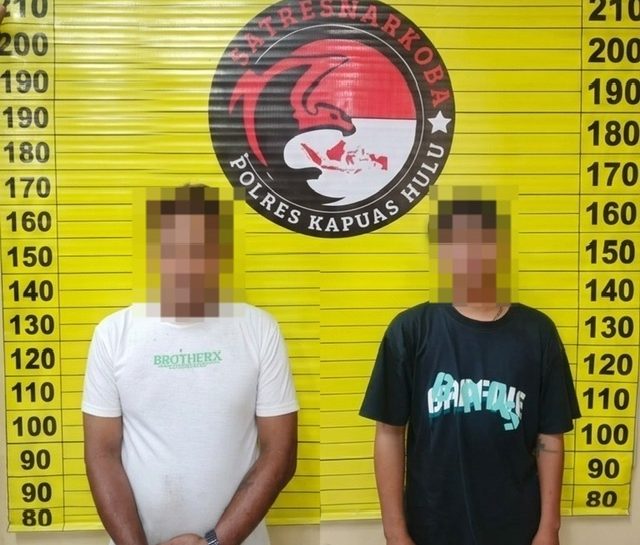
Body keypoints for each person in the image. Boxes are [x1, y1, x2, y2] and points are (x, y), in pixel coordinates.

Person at [360, 192, 581, 545]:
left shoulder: (538, 332)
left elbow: (550, 436)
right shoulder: (410, 331)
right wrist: (395, 532)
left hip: (516, 529)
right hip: (430, 527)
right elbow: (389, 433)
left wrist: (549, 528)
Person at [82, 186, 298, 545]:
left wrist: (214, 542)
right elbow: (101, 455)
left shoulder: (260, 330)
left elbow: (281, 454)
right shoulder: (113, 334)